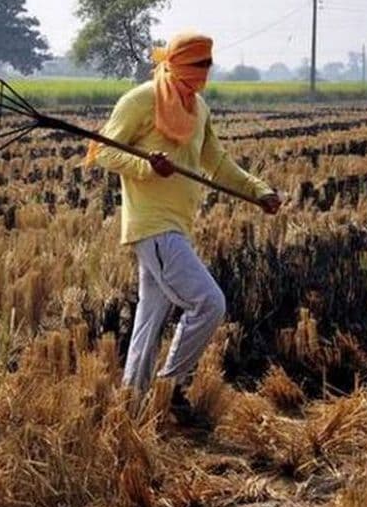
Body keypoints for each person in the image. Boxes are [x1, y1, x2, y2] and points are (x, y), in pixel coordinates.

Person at [92, 32, 281, 423]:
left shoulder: (198, 109)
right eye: (199, 65)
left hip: (177, 225)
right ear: (178, 64)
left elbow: (217, 162)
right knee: (209, 303)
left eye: (208, 65)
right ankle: (170, 385)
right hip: (153, 226)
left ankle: (132, 404)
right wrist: (146, 164)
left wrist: (258, 190)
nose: (205, 73)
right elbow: (105, 151)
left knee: (149, 318)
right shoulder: (141, 99)